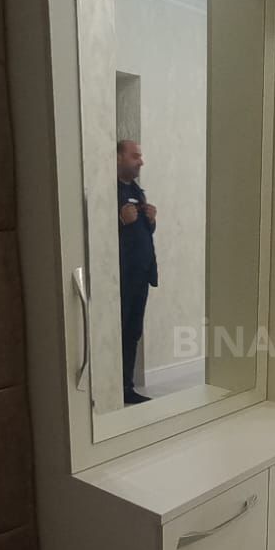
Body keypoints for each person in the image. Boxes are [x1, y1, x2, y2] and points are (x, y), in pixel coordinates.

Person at [116, 139, 157, 405]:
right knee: (117, 331)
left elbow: (142, 232)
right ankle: (112, 388)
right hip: (121, 276)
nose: (141, 161)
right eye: (135, 156)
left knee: (132, 332)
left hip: (141, 274)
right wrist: (120, 220)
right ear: (118, 158)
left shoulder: (136, 190)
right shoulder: (109, 191)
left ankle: (126, 387)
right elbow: (97, 230)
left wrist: (150, 220)